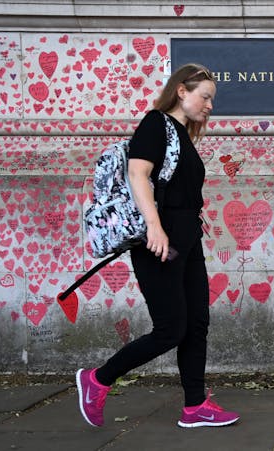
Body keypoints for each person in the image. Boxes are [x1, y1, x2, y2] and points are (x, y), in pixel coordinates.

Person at [76, 63, 239, 428]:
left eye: (212, 99)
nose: (210, 106)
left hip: (186, 239)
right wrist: (155, 227)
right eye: (205, 97)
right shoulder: (155, 123)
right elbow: (138, 173)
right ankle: (98, 379)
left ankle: (195, 407)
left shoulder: (182, 135)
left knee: (197, 324)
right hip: (159, 241)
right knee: (171, 328)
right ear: (181, 91)